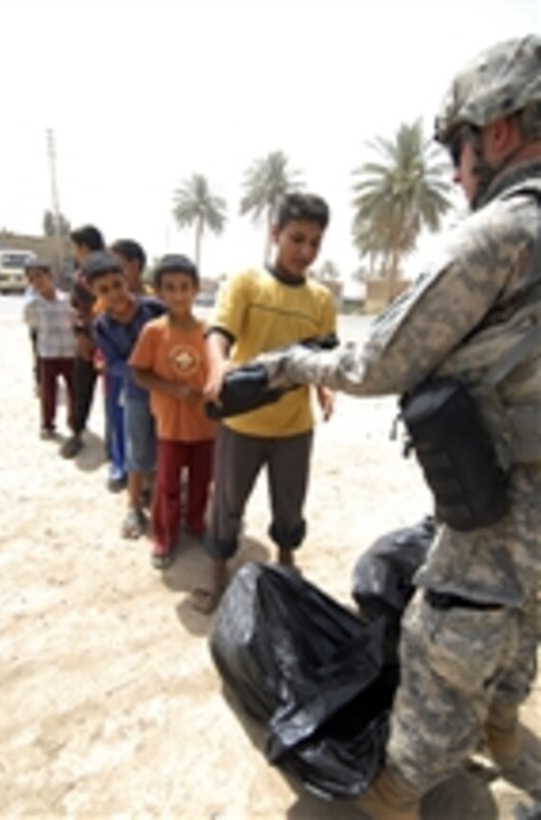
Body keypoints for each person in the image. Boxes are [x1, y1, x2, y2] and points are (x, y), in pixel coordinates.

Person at [247, 35, 541, 819]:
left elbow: (376, 361)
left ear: (499, 131)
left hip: (500, 513)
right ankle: (505, 734)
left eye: (459, 149)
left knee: (449, 648)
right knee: (523, 634)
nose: (455, 171)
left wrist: (287, 367)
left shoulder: (504, 232)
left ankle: (396, 797)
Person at [192, 192, 337, 614]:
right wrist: (217, 367)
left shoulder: (321, 299)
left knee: (290, 501)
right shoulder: (246, 283)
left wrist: (325, 388)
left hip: (295, 426)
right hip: (243, 424)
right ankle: (216, 567)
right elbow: (218, 333)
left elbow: (323, 355)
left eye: (314, 242)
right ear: (275, 234)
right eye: (297, 239)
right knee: (227, 502)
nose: (305, 251)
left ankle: (287, 559)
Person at [129, 254, 217, 569]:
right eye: (170, 288)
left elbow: (220, 369)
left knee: (201, 481)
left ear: (196, 289)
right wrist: (175, 390)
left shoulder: (210, 332)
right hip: (169, 426)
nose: (178, 294)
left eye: (184, 287)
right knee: (166, 485)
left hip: (206, 426)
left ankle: (195, 523)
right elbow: (139, 372)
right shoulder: (154, 331)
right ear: (158, 292)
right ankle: (164, 537)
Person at [83, 251, 166, 538]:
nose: (114, 294)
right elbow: (112, 363)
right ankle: (132, 507)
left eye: (117, 284)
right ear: (94, 293)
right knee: (137, 449)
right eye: (104, 290)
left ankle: (159, 501)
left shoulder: (155, 309)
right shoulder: (102, 325)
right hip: (135, 394)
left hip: (167, 395)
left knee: (164, 446)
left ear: (127, 279)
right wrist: (139, 371)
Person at [61, 224, 105, 459]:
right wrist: (81, 335)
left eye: (75, 247)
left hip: (106, 342)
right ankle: (77, 432)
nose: (74, 252)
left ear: (84, 247)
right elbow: (76, 308)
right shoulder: (84, 273)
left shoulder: (95, 273)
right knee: (83, 389)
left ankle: (80, 435)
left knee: (92, 391)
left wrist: (83, 335)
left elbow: (77, 307)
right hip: (93, 340)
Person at [23, 259, 76, 439]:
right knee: (48, 392)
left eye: (40, 276)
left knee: (74, 390)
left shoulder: (67, 299)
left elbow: (75, 322)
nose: (37, 281)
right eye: (32, 279)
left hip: (69, 352)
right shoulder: (32, 306)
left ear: (50, 276)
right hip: (48, 353)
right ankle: (48, 424)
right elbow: (33, 327)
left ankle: (75, 422)